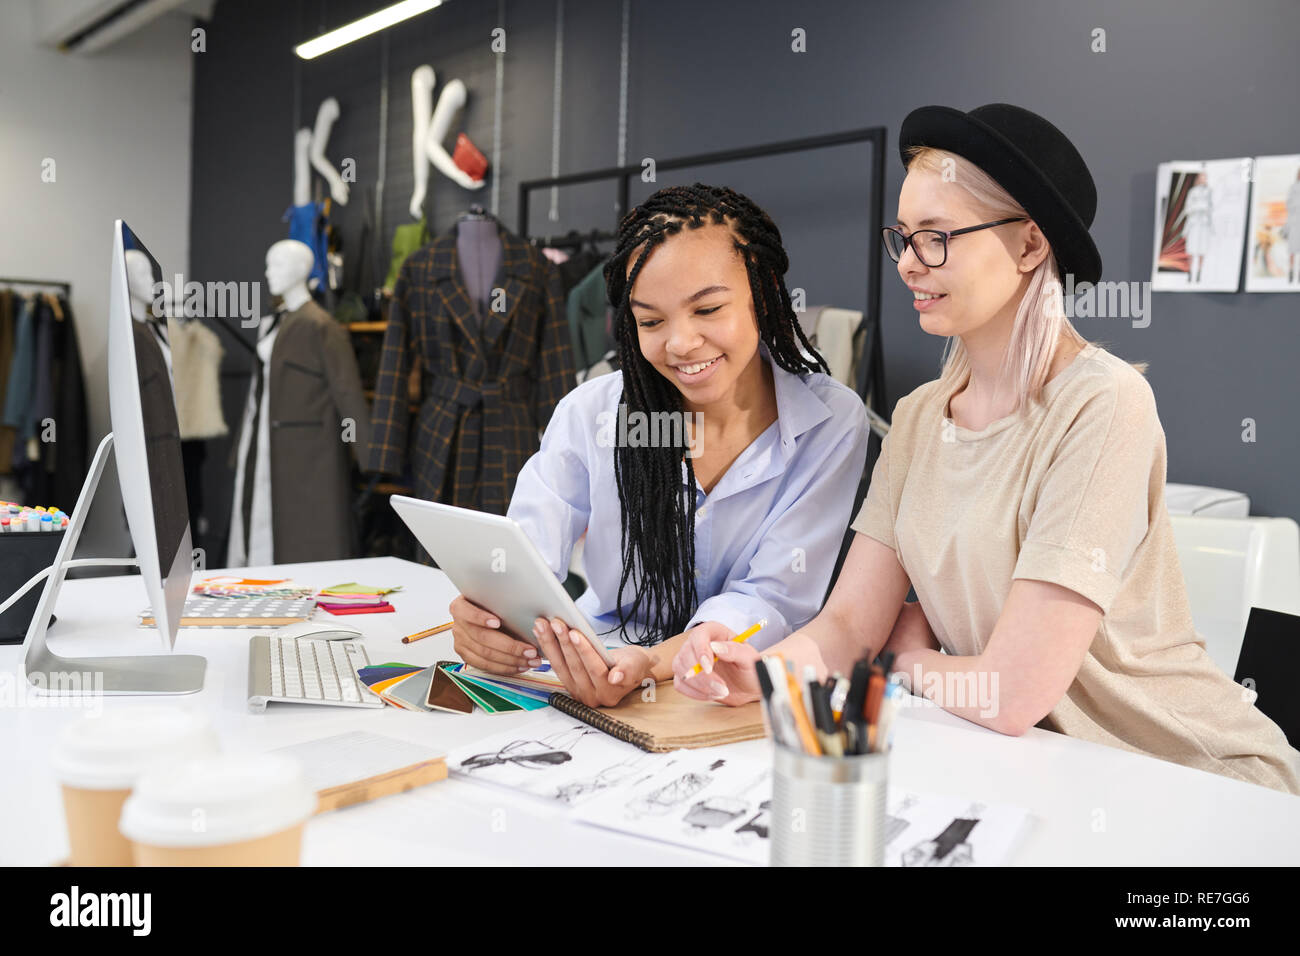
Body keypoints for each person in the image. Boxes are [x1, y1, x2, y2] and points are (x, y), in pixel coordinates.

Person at [680, 104, 1300, 796]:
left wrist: (909, 661)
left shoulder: (1103, 404)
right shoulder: (918, 418)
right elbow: (854, 622)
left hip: (1190, 779)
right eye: (904, 238)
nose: (910, 264)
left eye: (938, 238)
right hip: (1047, 771)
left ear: (1030, 247)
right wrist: (761, 674)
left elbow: (1009, 695)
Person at [451, 183, 869, 707]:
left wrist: (652, 661)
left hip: (735, 686)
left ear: (763, 294)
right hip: (599, 664)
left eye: (709, 309)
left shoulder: (829, 423)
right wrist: (489, 615)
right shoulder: (590, 414)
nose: (679, 343)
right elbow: (525, 555)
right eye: (650, 321)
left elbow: (774, 596)